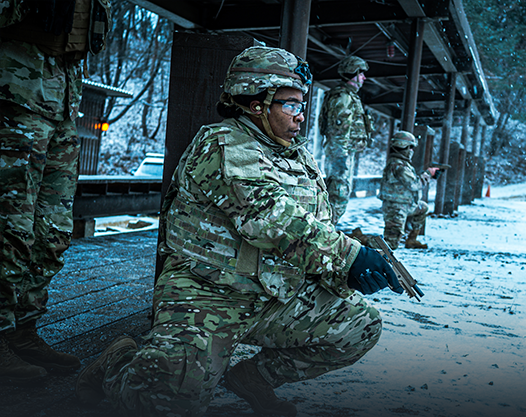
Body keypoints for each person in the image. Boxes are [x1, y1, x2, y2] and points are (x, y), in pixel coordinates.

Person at [75, 46, 403, 417]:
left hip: (273, 295)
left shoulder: (296, 156)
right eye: (291, 105)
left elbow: (315, 226)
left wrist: (339, 273)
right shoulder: (224, 144)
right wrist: (349, 256)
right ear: (256, 104)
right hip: (208, 295)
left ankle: (253, 379)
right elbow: (268, 217)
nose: (301, 115)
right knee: (164, 405)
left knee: (360, 326)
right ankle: (119, 362)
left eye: (302, 104)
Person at [0, 0, 111, 382]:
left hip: (62, 102)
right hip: (13, 97)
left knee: (53, 233)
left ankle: (22, 331)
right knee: (9, 229)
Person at [319, 55, 374, 225]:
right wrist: (340, 158)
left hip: (343, 153)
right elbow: (339, 130)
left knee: (339, 194)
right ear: (352, 73)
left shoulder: (348, 96)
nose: (364, 78)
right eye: (361, 73)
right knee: (338, 195)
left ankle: (327, 230)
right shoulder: (343, 97)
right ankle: (325, 232)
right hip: (340, 153)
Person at [378, 131, 438, 250]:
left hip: (405, 204)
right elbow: (414, 185)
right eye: (410, 147)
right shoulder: (398, 165)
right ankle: (358, 241)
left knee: (423, 208)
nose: (411, 151)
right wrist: (427, 174)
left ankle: (412, 239)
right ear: (402, 146)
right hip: (396, 207)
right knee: (390, 243)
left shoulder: (402, 163)